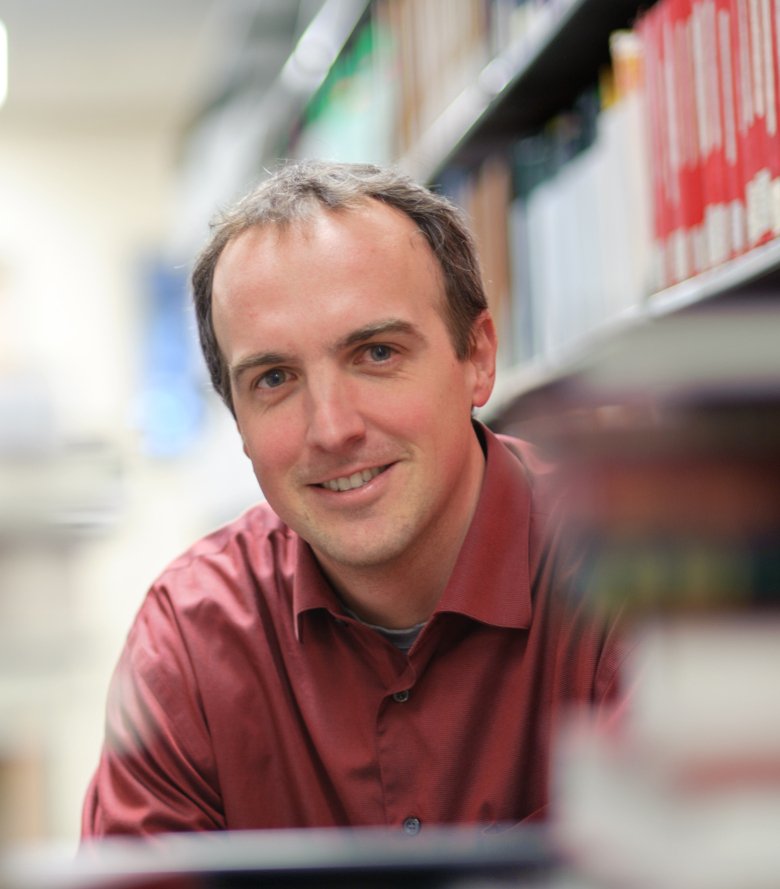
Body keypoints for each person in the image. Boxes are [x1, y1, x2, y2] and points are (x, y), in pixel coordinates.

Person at [82, 160, 620, 837]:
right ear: (238, 422)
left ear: (477, 356)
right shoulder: (192, 641)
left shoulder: (643, 566)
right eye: (274, 377)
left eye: (376, 353)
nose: (333, 428)